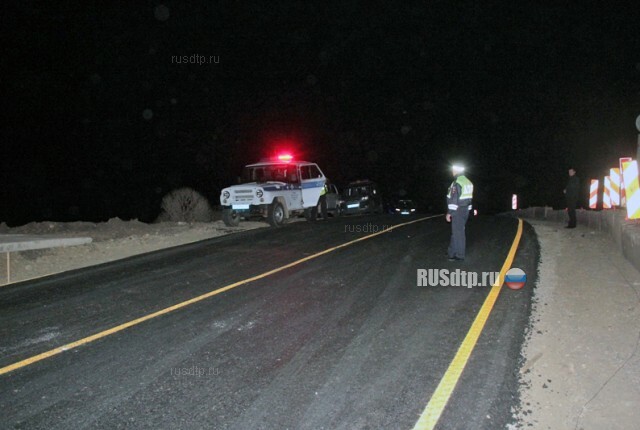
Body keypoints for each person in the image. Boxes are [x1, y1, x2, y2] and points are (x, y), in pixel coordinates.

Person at [446, 164, 474, 261]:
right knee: (457, 232)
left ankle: (460, 255)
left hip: (458, 210)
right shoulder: (468, 182)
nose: (452, 171)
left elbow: (454, 199)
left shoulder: (457, 182)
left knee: (458, 233)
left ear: (456, 171)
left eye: (453, 170)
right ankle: (451, 252)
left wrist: (450, 213)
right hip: (465, 210)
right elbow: (469, 198)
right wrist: (469, 209)